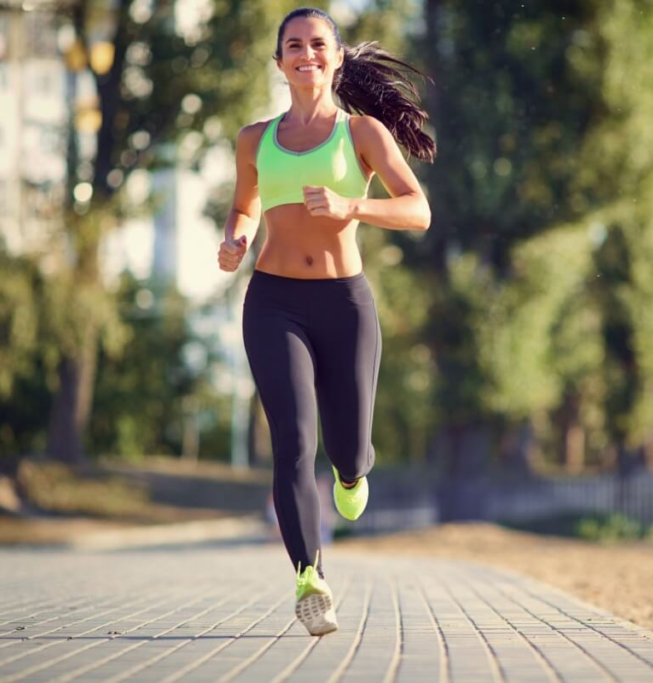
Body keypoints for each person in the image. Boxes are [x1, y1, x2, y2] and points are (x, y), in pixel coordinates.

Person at [217, 7, 434, 636]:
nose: (306, 53)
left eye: (318, 44)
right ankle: (309, 577)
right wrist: (235, 239)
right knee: (292, 441)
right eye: (294, 45)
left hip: (345, 303)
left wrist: (352, 206)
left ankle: (352, 469)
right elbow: (242, 207)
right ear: (279, 61)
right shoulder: (255, 140)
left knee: (346, 446)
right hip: (272, 302)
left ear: (336, 59)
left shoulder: (361, 132)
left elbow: (417, 210)